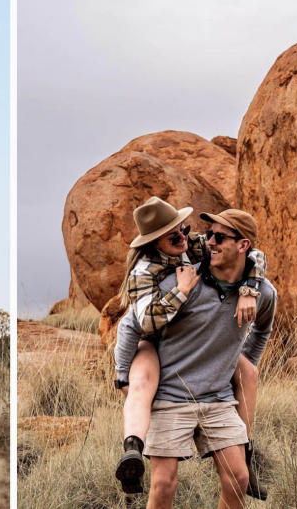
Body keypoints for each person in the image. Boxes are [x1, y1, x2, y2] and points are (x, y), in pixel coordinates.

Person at [113, 197, 269, 498]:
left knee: (248, 371)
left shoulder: (194, 247)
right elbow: (138, 324)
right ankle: (132, 446)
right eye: (174, 235)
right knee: (140, 385)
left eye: (185, 229)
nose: (185, 237)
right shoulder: (144, 274)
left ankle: (244, 451)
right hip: (153, 342)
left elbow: (253, 255)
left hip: (206, 377)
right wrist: (182, 290)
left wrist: (249, 289)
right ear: (154, 242)